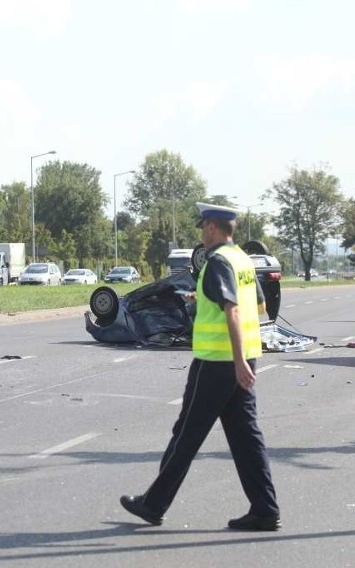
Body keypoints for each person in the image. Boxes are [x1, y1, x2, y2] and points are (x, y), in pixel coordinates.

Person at [120, 202, 281, 531]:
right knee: (246, 438)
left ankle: (153, 504)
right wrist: (204, 301)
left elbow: (232, 310)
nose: (201, 233)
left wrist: (236, 362)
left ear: (212, 227)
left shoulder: (219, 261)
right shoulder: (243, 260)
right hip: (243, 360)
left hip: (219, 363)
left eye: (203, 226)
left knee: (187, 435)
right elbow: (261, 306)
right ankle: (265, 509)